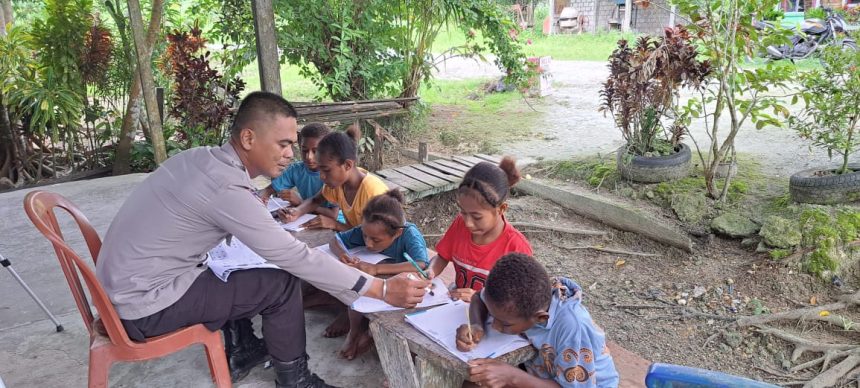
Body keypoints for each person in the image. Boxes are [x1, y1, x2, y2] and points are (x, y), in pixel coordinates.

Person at [95, 91, 430, 388]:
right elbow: (294, 256)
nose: (290, 155)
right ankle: (295, 379)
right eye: (283, 144)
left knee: (234, 265)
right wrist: (381, 289)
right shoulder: (225, 187)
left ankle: (245, 347)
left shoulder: (201, 159)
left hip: (126, 289)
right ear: (249, 137)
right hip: (144, 306)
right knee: (279, 283)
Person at [456, 253, 620, 388]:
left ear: (541, 317)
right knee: (474, 383)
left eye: (505, 323)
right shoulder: (514, 298)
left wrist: (512, 376)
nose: (495, 327)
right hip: (539, 372)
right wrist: (476, 324)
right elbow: (479, 298)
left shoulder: (572, 328)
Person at [328, 189, 429, 360]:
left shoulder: (409, 234)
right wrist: (342, 254)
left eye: (375, 240)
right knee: (357, 291)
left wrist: (376, 269)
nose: (368, 243)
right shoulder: (370, 229)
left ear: (397, 233)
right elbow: (335, 240)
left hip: (399, 290)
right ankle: (354, 331)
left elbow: (421, 264)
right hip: (377, 288)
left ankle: (369, 334)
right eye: (365, 236)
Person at [426, 157, 533, 302]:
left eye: (477, 217)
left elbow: (521, 300)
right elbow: (442, 257)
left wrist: (481, 299)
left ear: (501, 209)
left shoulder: (516, 248)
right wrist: (431, 271)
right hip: (456, 308)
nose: (468, 223)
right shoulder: (460, 225)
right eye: (463, 212)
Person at [279, 127, 388, 232]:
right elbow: (315, 200)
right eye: (320, 170)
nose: (321, 176)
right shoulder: (339, 183)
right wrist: (297, 212)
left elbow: (375, 237)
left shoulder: (372, 193)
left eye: (326, 170)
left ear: (347, 165)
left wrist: (335, 224)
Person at [259, 123, 343, 223]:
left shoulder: (332, 175)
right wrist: (261, 200)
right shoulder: (296, 169)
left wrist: (300, 202)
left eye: (315, 151)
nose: (309, 157)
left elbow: (333, 215)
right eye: (304, 150)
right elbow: (268, 190)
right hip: (304, 219)